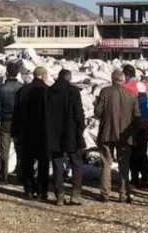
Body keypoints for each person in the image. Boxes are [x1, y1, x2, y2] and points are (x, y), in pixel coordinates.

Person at [94, 69, 140, 203]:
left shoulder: (105, 92)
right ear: (124, 80)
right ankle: (124, 194)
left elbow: (98, 113)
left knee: (106, 164)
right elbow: (137, 116)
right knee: (124, 165)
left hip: (107, 133)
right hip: (125, 136)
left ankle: (105, 194)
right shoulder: (132, 95)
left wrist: (96, 105)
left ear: (112, 79)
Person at [46, 68, 86, 206]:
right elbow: (78, 113)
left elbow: (45, 113)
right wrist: (81, 127)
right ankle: (75, 194)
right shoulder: (73, 91)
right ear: (69, 78)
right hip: (71, 132)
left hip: (54, 133)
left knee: (57, 163)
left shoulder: (49, 91)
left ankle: (60, 196)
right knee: (76, 162)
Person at [14, 66, 51, 200]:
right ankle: (42, 190)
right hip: (43, 132)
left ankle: (29, 189)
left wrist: (15, 132)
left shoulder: (22, 91)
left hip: (26, 131)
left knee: (27, 161)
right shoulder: (48, 91)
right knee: (44, 161)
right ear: (44, 75)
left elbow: (16, 112)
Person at [122, 64, 148, 190]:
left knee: (132, 151)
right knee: (143, 151)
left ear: (125, 74)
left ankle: (134, 179)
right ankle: (145, 179)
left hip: (134, 123)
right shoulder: (145, 85)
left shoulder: (126, 87)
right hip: (146, 122)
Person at [0, 62, 23, 185]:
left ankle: (3, 176)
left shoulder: (0, 89)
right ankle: (20, 176)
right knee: (20, 150)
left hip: (5, 122)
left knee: (4, 150)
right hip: (19, 122)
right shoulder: (22, 88)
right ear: (18, 73)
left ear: (7, 73)